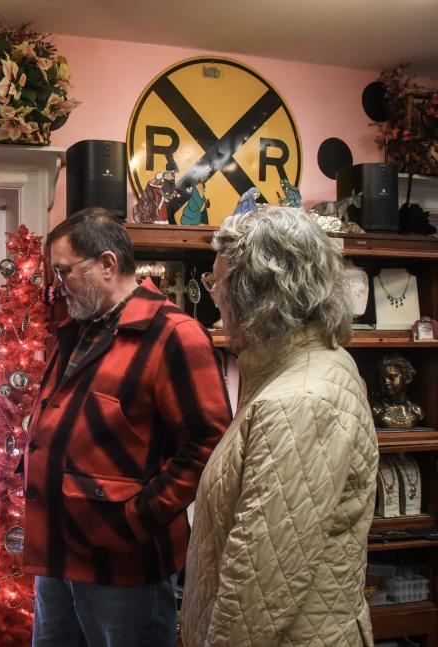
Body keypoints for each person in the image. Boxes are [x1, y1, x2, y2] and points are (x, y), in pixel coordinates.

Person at [24, 207, 232, 647]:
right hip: (59, 557)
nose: (56, 288)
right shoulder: (77, 330)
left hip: (124, 568)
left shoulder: (176, 333)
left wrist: (137, 521)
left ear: (106, 264)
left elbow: (209, 445)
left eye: (62, 273)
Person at [181, 206, 378, 646]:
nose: (214, 295)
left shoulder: (299, 401)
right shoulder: (298, 370)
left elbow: (258, 588)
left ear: (256, 293)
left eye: (218, 282)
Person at [369, 353, 424, 428]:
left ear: (407, 378)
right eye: (382, 378)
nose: (386, 382)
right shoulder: (377, 411)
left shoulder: (417, 411)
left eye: (392, 377)